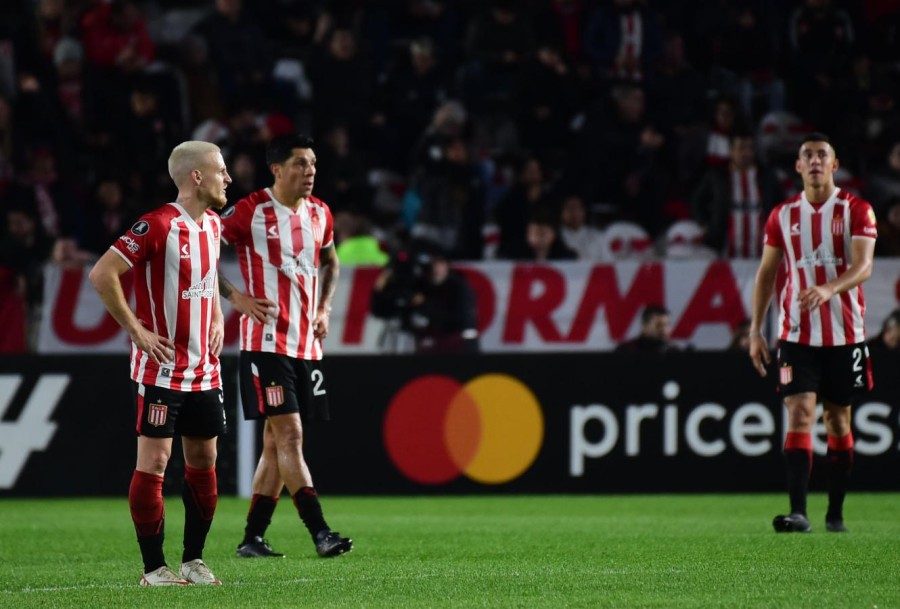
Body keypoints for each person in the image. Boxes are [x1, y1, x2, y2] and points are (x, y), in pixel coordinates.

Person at [88, 141, 231, 586]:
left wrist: (218, 314)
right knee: (155, 462)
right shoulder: (157, 225)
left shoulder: (212, 225)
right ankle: (154, 568)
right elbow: (102, 273)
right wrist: (137, 331)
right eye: (221, 170)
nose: (228, 178)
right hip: (162, 369)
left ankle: (193, 560)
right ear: (196, 176)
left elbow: (207, 276)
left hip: (205, 369)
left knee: (204, 461)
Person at [217, 133, 352, 559]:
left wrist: (325, 308)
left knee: (276, 444)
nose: (310, 171)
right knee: (290, 435)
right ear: (276, 169)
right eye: (300, 163)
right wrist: (236, 297)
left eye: (313, 164)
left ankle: (252, 538)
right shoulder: (250, 210)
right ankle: (320, 532)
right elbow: (200, 249)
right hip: (266, 344)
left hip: (306, 346)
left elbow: (331, 262)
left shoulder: (320, 212)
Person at [749, 132, 878, 534]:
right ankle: (799, 513)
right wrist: (755, 330)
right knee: (800, 412)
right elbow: (766, 274)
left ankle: (835, 513)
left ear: (835, 165)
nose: (816, 161)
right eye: (808, 155)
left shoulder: (857, 209)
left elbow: (864, 267)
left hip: (845, 335)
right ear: (798, 166)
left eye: (823, 154)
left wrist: (828, 288)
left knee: (837, 421)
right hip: (796, 335)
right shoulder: (782, 215)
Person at [370, 242, 480, 354]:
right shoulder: (419, 285)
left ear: (447, 265)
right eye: (433, 264)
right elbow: (381, 311)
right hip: (420, 347)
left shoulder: (458, 287)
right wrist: (379, 290)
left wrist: (424, 304)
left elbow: (457, 321)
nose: (436, 269)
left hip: (454, 349)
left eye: (440, 264)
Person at [614, 305, 679, 354]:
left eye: (667, 324)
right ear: (645, 325)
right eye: (658, 325)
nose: (664, 329)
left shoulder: (673, 352)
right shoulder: (626, 350)